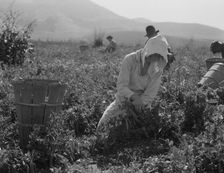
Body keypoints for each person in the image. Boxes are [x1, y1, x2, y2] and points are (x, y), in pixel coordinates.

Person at [96, 31, 169, 145]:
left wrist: (139, 103)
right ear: (147, 50)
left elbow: (150, 94)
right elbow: (121, 86)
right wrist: (134, 96)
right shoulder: (130, 60)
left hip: (142, 106)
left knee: (139, 134)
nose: (155, 57)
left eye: (158, 55)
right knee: (102, 129)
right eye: (153, 53)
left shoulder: (157, 69)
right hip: (123, 100)